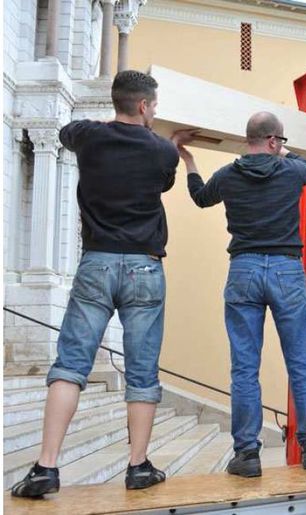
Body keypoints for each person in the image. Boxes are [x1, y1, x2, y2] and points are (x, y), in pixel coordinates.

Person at [11, 70, 188, 497]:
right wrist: (165, 139)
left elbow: (69, 131)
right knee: (142, 371)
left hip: (97, 262)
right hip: (145, 267)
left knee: (71, 364)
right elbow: (163, 177)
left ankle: (46, 467)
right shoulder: (164, 151)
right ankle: (138, 466)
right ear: (145, 106)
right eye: (154, 105)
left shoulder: (87, 136)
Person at [174, 111, 306, 477]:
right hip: (286, 271)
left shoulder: (228, 175)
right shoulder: (291, 170)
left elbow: (199, 197)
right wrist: (282, 152)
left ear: (248, 139)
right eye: (280, 141)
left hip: (244, 270)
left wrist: (189, 158)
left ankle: (247, 455)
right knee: (301, 364)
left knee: (244, 368)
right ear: (274, 141)